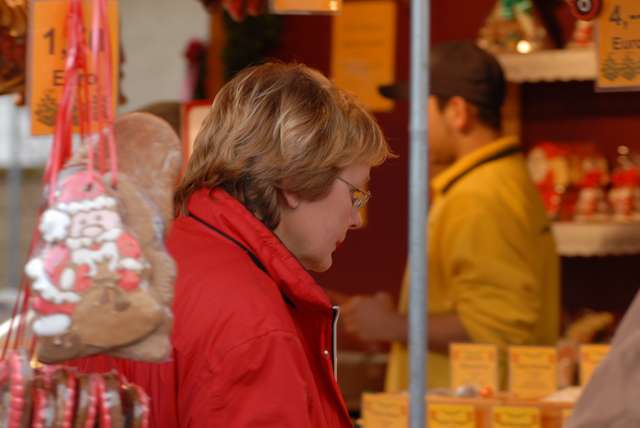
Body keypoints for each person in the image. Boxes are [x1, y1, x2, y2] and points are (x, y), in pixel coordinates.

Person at [70, 62, 392, 426]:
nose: (356, 218)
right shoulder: (251, 322)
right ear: (295, 182)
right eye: (355, 194)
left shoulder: (141, 256)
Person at [342, 41, 560, 390]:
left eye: (421, 109)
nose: (414, 124)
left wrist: (392, 325)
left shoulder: (479, 196)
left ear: (457, 112)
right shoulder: (502, 180)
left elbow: (496, 328)